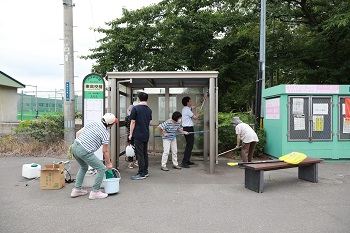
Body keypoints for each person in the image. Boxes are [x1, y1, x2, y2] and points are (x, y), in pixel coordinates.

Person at [70, 113, 118, 200]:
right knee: (102, 168)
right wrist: (109, 163)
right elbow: (105, 151)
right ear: (110, 124)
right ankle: (95, 192)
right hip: (84, 151)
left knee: (84, 167)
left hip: (74, 146)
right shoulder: (105, 133)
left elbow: (78, 133)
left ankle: (77, 189)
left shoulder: (93, 123)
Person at [129, 92, 152, 180]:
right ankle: (145, 171)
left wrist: (131, 134)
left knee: (140, 154)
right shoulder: (149, 110)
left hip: (138, 134)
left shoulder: (136, 108)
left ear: (138, 99)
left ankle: (141, 173)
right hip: (146, 134)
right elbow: (150, 122)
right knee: (145, 153)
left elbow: (132, 122)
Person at [181, 96, 205, 168]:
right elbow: (195, 118)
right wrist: (198, 113)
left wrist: (201, 101)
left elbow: (195, 106)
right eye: (190, 101)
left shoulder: (186, 108)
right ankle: (184, 162)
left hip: (188, 128)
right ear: (187, 102)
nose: (191, 103)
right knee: (189, 146)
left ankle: (187, 160)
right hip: (188, 129)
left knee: (190, 145)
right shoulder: (187, 110)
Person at [125, 105, 138, 169]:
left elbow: (126, 125)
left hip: (130, 135)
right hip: (137, 134)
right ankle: (137, 161)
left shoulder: (127, 118)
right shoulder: (137, 117)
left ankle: (130, 163)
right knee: (138, 147)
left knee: (130, 148)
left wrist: (130, 133)